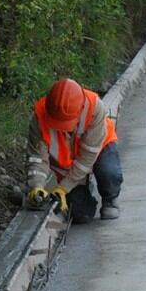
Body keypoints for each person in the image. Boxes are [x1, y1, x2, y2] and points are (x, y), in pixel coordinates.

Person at [26, 78, 123, 223]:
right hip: (69, 166)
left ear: (80, 111)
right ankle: (83, 194)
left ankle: (110, 199)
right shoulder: (39, 119)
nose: (62, 128)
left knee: (108, 172)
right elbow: (37, 158)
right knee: (80, 214)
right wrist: (37, 186)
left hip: (100, 147)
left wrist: (64, 187)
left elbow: (87, 158)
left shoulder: (94, 108)